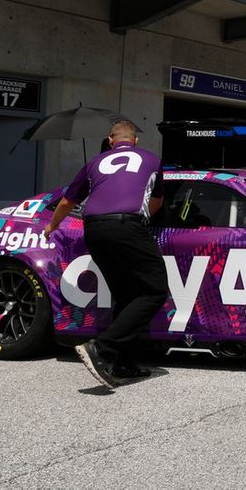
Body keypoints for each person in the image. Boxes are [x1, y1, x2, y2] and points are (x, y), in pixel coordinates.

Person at [43, 120, 167, 389]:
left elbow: (67, 201)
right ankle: (101, 348)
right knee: (154, 291)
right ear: (135, 141)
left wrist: (51, 227)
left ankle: (123, 364)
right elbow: (156, 201)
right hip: (126, 226)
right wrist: (141, 222)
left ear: (111, 140)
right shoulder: (151, 159)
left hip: (94, 230)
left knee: (127, 296)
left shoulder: (94, 163)